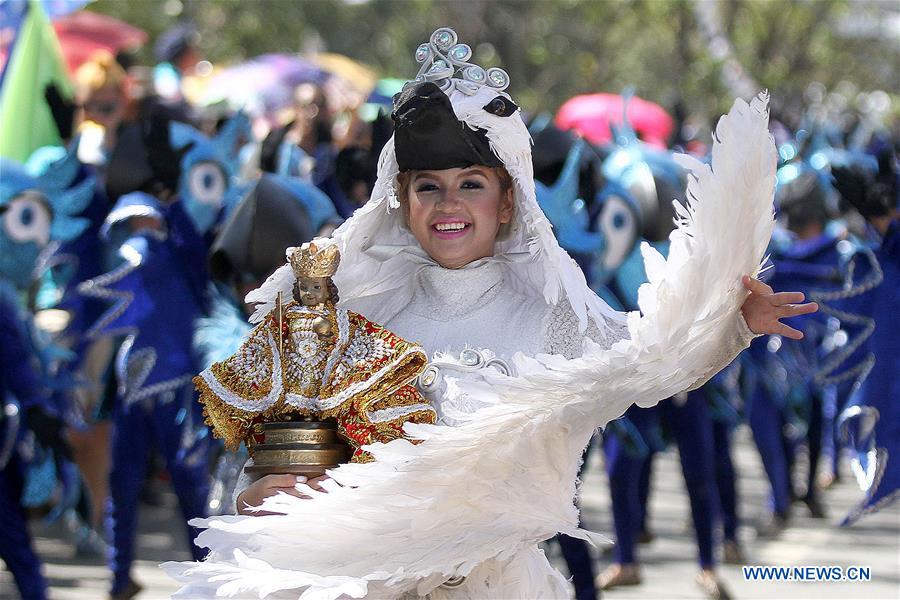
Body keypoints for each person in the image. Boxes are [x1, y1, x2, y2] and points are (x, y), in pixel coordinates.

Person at [166, 28, 816, 599]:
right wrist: (282, 496)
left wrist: (728, 320)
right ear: (402, 199)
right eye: (430, 187)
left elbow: (652, 364)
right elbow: (276, 474)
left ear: (507, 202)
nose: (449, 205)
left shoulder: (554, 321)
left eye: (471, 184)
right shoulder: (352, 313)